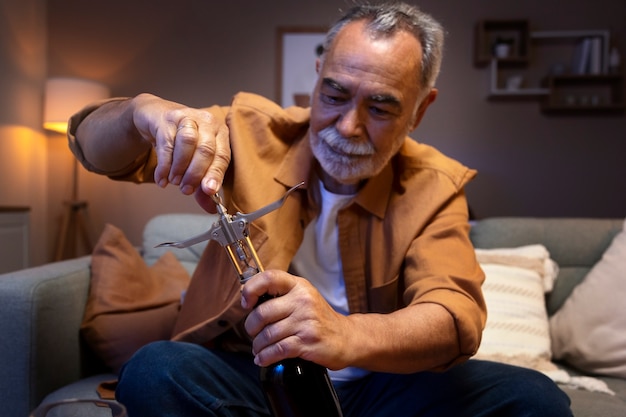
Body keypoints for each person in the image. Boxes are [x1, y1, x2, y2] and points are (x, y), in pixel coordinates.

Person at [69, 2, 572, 416]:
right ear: (317, 77)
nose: (347, 126)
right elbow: (92, 147)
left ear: (420, 109)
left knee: (536, 400)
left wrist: (345, 333)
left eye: (380, 107)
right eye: (334, 94)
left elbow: (454, 316)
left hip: (384, 389)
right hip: (254, 380)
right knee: (154, 370)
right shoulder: (245, 133)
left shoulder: (436, 186)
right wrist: (140, 114)